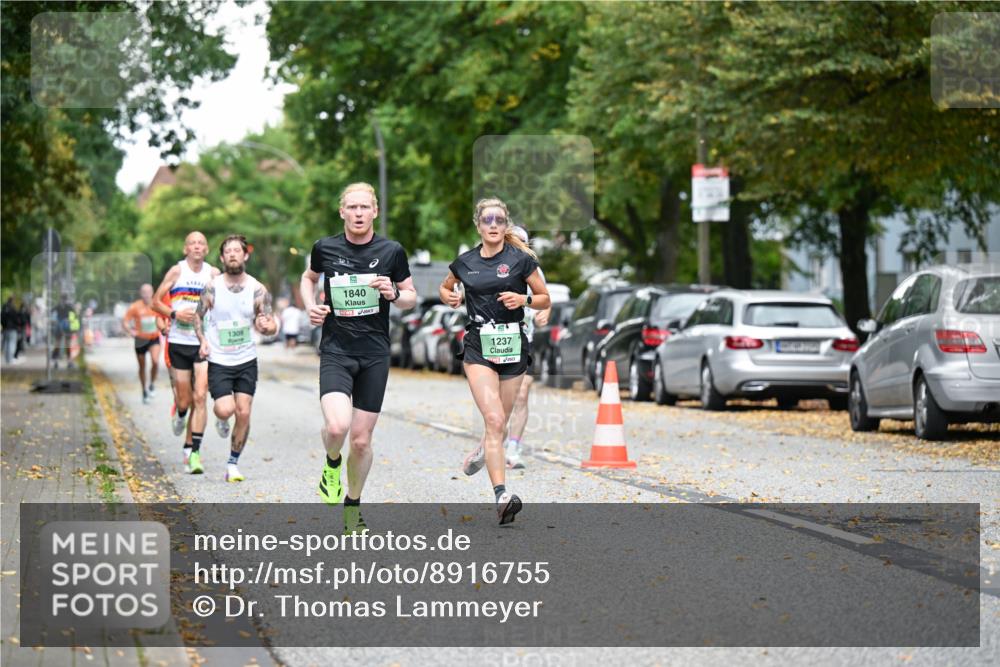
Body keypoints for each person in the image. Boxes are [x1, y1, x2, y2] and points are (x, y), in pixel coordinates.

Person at [300, 182, 416, 534]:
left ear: (375, 211)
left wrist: (394, 293)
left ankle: (352, 507)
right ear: (342, 212)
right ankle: (332, 462)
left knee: (362, 440)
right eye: (352, 207)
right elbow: (308, 279)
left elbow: (411, 296)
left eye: (365, 207)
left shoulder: (392, 251)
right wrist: (311, 306)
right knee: (337, 427)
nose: (359, 213)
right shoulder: (325, 248)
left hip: (374, 353)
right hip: (336, 349)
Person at [439, 198, 550, 524]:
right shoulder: (465, 262)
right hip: (479, 348)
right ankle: (502, 495)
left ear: (505, 225)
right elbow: (446, 289)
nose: (493, 224)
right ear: (478, 225)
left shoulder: (521, 260)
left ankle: (484, 449)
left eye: (499, 220)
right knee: (494, 419)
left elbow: (544, 298)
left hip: (514, 345)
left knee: (499, 420)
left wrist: (524, 299)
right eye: (487, 219)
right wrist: (452, 297)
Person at [194, 235, 277, 481]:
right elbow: (197, 316)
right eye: (228, 251)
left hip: (246, 359)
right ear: (221, 258)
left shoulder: (258, 289)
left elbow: (269, 324)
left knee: (243, 412)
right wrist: (203, 341)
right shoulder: (212, 287)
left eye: (237, 251)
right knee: (225, 409)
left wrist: (266, 326)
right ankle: (222, 419)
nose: (232, 254)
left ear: (245, 255)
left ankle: (232, 463)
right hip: (219, 359)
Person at [153, 231, 220, 473]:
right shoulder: (176, 271)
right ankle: (180, 413)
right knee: (185, 399)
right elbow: (155, 301)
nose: (197, 246)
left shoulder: (213, 274)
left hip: (202, 343)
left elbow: (223, 302)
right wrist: (174, 314)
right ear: (185, 249)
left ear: (207, 249)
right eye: (192, 243)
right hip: (179, 342)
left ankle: (194, 453)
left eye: (201, 243)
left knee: (200, 396)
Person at [504, 226, 551, 470]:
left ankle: (513, 448)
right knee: (501, 398)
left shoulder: (533, 270)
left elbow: (545, 298)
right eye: (512, 242)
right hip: (495, 340)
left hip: (524, 338)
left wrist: (544, 313)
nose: (516, 247)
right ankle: (493, 440)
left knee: (522, 393)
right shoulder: (491, 265)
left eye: (521, 243)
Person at [122, 284, 162, 404]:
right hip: (140, 339)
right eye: (144, 292)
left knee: (155, 361)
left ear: (152, 292)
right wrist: (130, 331)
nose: (146, 294)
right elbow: (125, 322)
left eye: (148, 292)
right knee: (142, 366)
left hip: (154, 338)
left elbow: (164, 317)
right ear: (140, 293)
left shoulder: (156, 305)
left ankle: (152, 384)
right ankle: (144, 390)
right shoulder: (135, 306)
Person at [2, 297, 18, 365]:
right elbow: (16, 318)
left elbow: (2, 318)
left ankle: (6, 359)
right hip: (12, 329)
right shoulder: (13, 308)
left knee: (6, 344)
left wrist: (3, 325)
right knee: (12, 344)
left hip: (5, 328)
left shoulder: (4, 308)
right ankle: (10, 359)